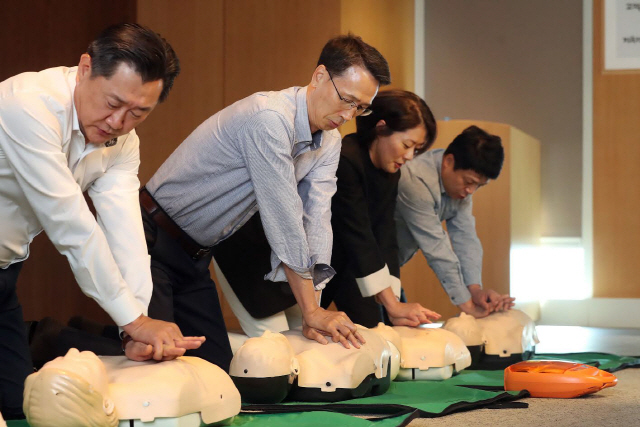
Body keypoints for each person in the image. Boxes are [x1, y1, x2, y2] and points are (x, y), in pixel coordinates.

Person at [141, 34, 391, 371]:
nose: (348, 114)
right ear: (319, 76)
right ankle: (57, 338)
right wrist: (311, 311)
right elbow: (284, 219)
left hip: (196, 255)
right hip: (151, 238)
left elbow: (317, 219)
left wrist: (313, 308)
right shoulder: (270, 118)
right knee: (152, 360)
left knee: (217, 371)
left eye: (360, 107)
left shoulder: (329, 140)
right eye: (347, 99)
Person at [0, 23, 203, 419]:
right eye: (113, 103)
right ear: (85, 67)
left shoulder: (123, 143)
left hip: (5, 271)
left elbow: (126, 236)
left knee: (18, 404)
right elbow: (73, 228)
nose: (118, 123)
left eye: (138, 113)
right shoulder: (27, 105)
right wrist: (136, 320)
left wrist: (134, 329)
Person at [320, 90, 441, 328]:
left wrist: (393, 302)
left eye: (416, 150)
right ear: (381, 128)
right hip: (304, 265)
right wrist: (392, 305)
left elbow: (385, 235)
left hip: (349, 264)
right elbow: (358, 234)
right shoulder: (346, 158)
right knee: (282, 345)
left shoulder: (389, 171)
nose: (409, 156)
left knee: (376, 331)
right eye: (407, 145)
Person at [394, 125, 516, 318]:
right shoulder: (414, 179)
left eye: (479, 185)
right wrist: (466, 305)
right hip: (356, 259)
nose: (471, 191)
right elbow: (436, 246)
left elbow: (466, 238)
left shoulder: (459, 189)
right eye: (469, 182)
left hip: (388, 267)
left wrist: (475, 290)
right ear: (449, 161)